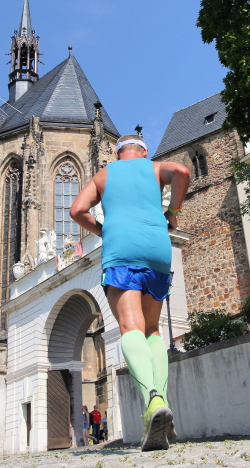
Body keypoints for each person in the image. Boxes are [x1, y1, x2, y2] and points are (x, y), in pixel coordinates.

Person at [70, 134, 190, 451]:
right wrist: (173, 211)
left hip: (121, 250)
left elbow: (77, 210)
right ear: (144, 151)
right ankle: (162, 402)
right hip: (157, 249)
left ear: (116, 153)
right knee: (152, 330)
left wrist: (103, 229)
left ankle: (152, 401)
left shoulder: (105, 174)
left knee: (130, 326)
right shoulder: (154, 167)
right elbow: (183, 172)